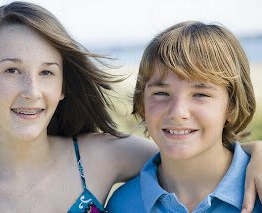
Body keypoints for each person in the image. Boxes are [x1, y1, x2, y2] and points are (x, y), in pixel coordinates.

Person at [0, 3, 260, 212]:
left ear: (63, 86)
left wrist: (256, 153)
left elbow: (189, 147)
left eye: (47, 72)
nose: (32, 91)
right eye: (12, 70)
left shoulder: (101, 157)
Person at [106, 21, 262, 213]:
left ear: (231, 107)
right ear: (142, 103)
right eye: (161, 93)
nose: (178, 112)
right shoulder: (122, 204)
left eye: (200, 94)